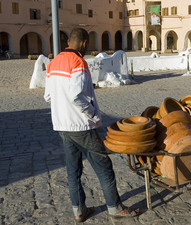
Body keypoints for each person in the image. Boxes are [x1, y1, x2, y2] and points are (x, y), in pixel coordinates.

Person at [44, 28, 139, 222]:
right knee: (104, 166)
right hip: (81, 126)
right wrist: (93, 113)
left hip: (62, 126)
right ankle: (115, 208)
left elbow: (47, 96)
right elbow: (75, 95)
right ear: (85, 43)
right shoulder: (78, 62)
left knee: (73, 171)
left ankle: (79, 211)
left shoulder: (53, 63)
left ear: (69, 41)